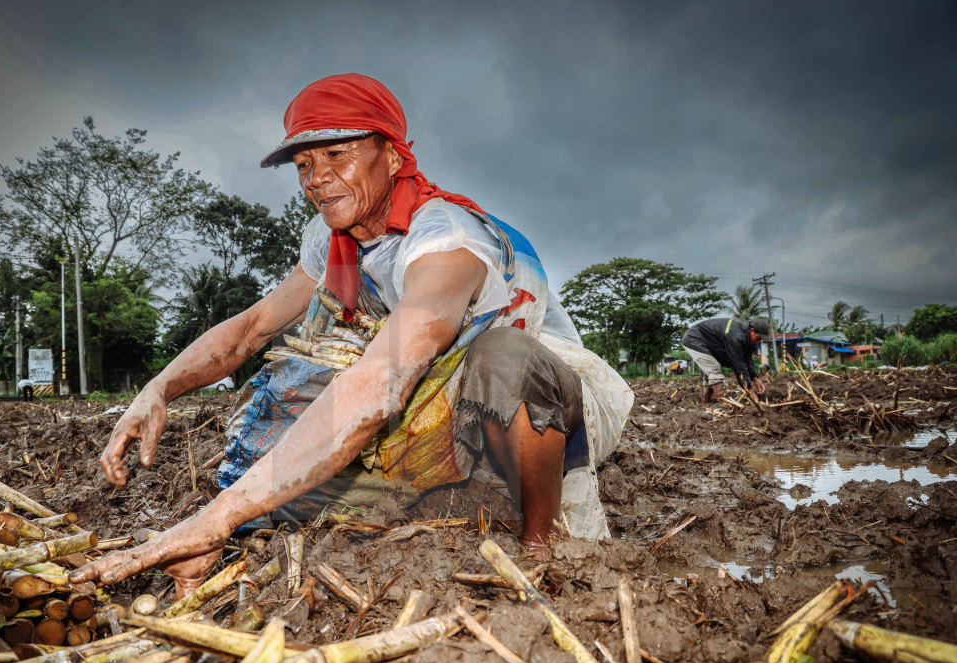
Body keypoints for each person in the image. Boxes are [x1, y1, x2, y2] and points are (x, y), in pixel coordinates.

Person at [71, 74, 632, 595]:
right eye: (304, 164)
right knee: (295, 468)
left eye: (336, 154)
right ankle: (463, 497)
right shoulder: (331, 238)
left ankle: (541, 544)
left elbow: (383, 377)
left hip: (555, 406)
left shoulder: (446, 238)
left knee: (503, 356)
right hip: (442, 402)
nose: (316, 178)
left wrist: (218, 517)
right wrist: (158, 390)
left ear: (390, 154)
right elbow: (252, 329)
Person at [681, 317, 770, 403]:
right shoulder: (736, 336)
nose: (758, 342)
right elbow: (738, 365)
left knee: (709, 373)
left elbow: (747, 359)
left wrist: (755, 378)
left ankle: (706, 401)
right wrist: (749, 390)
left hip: (710, 344)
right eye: (758, 338)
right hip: (694, 339)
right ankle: (723, 402)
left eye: (760, 340)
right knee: (713, 368)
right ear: (752, 331)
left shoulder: (746, 337)